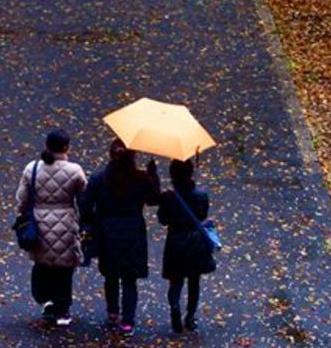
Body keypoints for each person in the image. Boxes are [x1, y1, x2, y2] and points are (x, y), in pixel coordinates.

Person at [80, 139, 160, 335]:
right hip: (133, 230)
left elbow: (85, 204)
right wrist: (153, 176)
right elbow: (153, 200)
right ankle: (128, 321)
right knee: (130, 278)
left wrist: (92, 224)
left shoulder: (99, 178)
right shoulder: (141, 178)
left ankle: (112, 313)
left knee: (110, 274)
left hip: (107, 230)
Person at [15, 129, 87, 326]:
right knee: (64, 269)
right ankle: (63, 310)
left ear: (46, 145)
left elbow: (22, 198)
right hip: (66, 222)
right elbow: (84, 195)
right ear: (66, 147)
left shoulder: (33, 168)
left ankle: (46, 302)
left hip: (39, 222)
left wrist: (22, 216)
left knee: (42, 264)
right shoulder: (74, 171)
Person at [157, 158, 216, 331]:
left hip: (176, 241)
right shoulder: (201, 195)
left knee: (175, 282)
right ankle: (190, 317)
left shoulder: (168, 197)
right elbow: (203, 216)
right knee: (194, 281)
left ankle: (175, 307)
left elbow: (163, 220)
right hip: (195, 242)